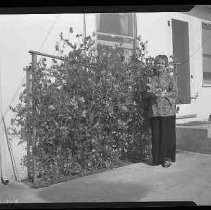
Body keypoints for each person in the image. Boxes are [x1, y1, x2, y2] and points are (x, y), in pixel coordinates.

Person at [144, 55, 178, 167]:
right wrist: (151, 93)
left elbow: (175, 93)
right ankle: (156, 159)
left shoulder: (170, 78)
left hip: (167, 112)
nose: (160, 65)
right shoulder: (150, 79)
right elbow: (144, 94)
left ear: (166, 65)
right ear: (155, 64)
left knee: (166, 136)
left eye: (162, 63)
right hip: (154, 111)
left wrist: (165, 94)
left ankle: (166, 159)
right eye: (158, 63)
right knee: (156, 135)